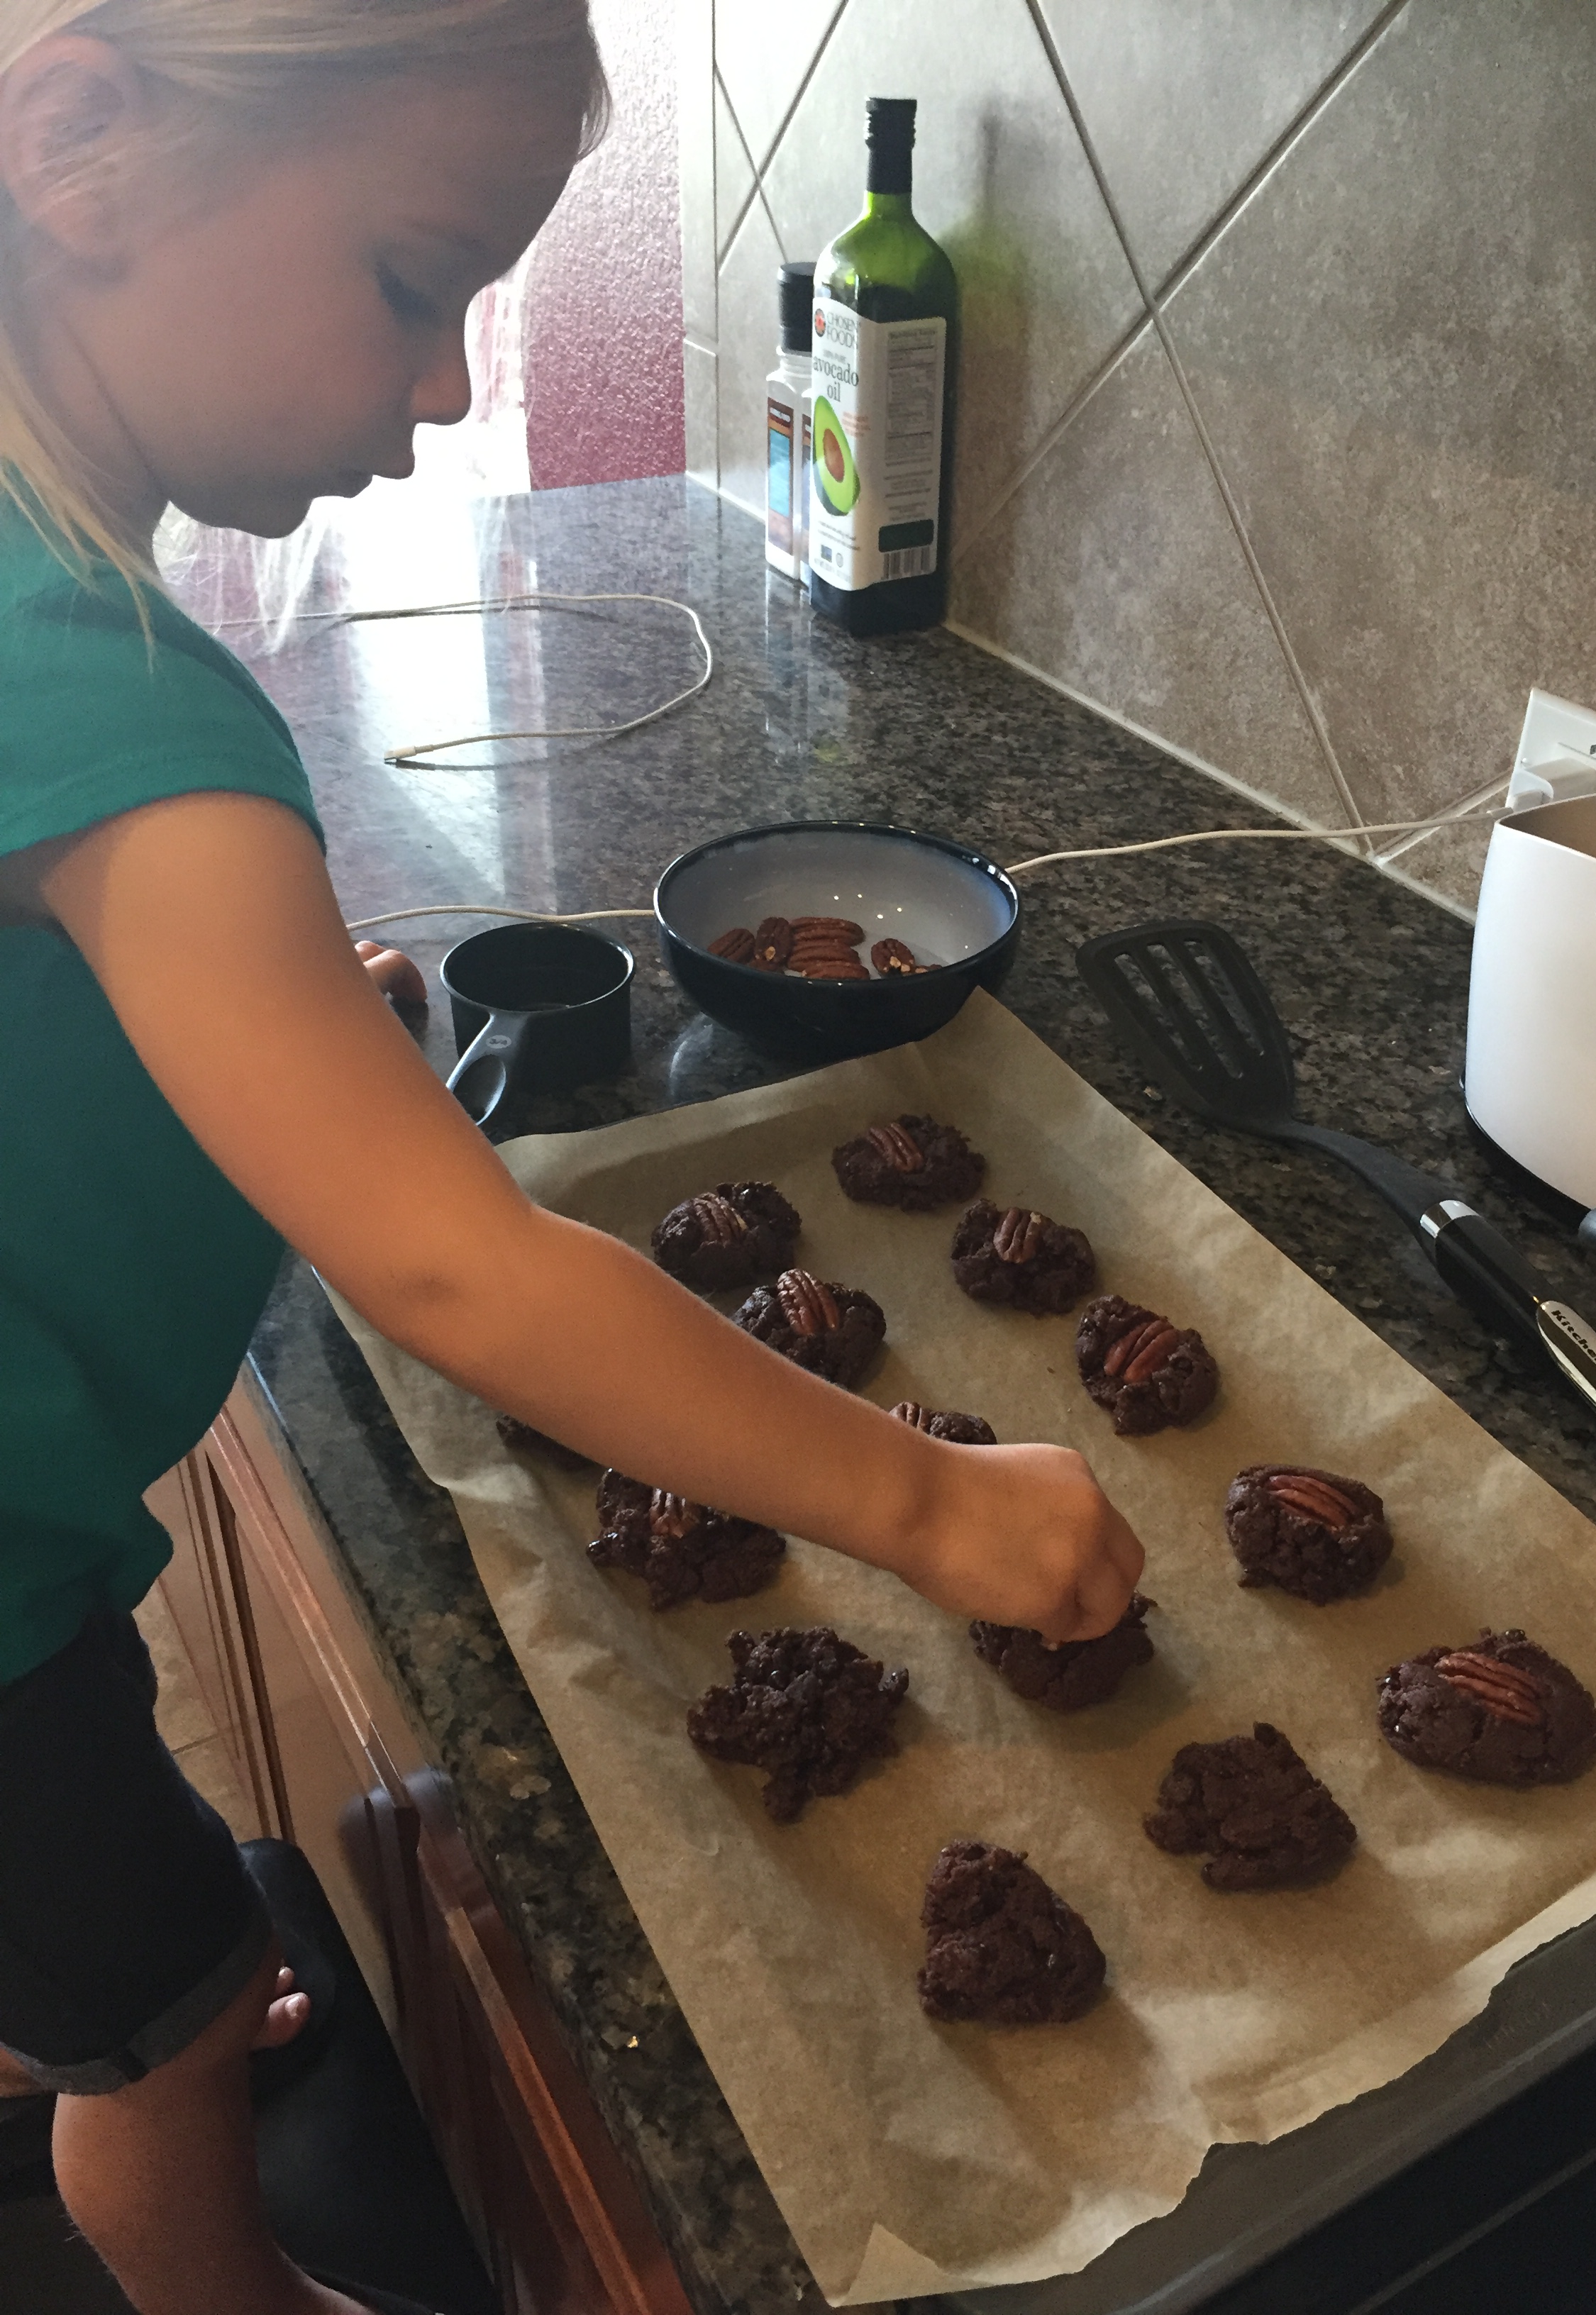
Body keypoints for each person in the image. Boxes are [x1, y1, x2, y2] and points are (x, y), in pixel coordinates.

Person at [0, 5, 1146, 2311]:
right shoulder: (107, 690)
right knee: (172, 2028)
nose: (446, 389)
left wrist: (277, 1027)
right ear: (80, 141)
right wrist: (939, 1508)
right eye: (412, 280)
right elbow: (463, 1274)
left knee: (99, 1930)